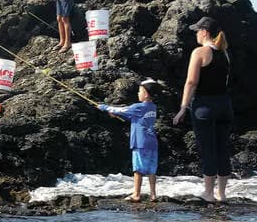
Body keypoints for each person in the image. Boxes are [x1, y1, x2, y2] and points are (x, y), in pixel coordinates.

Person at [173, 17, 233, 203]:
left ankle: (208, 193)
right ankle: (221, 194)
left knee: (208, 150)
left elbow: (191, 82)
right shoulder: (225, 53)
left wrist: (183, 107)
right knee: (222, 149)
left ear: (205, 32)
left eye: (197, 31)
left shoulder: (199, 52)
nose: (196, 34)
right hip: (224, 106)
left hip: (204, 108)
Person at [98, 79, 161, 202]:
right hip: (152, 143)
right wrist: (118, 115)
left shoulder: (138, 107)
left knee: (138, 170)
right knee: (152, 170)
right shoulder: (153, 107)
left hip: (140, 142)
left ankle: (136, 194)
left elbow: (122, 110)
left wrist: (103, 107)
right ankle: (153, 195)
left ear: (146, 94)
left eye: (140, 91)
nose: (138, 93)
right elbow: (135, 117)